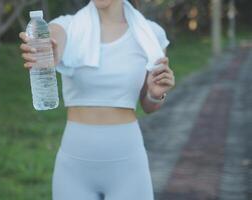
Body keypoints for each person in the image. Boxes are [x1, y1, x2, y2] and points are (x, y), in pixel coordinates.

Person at [19, 0, 175, 199]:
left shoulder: (151, 34)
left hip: (128, 167)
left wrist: (155, 93)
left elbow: (149, 105)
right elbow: (52, 41)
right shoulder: (67, 25)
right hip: (74, 169)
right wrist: (47, 51)